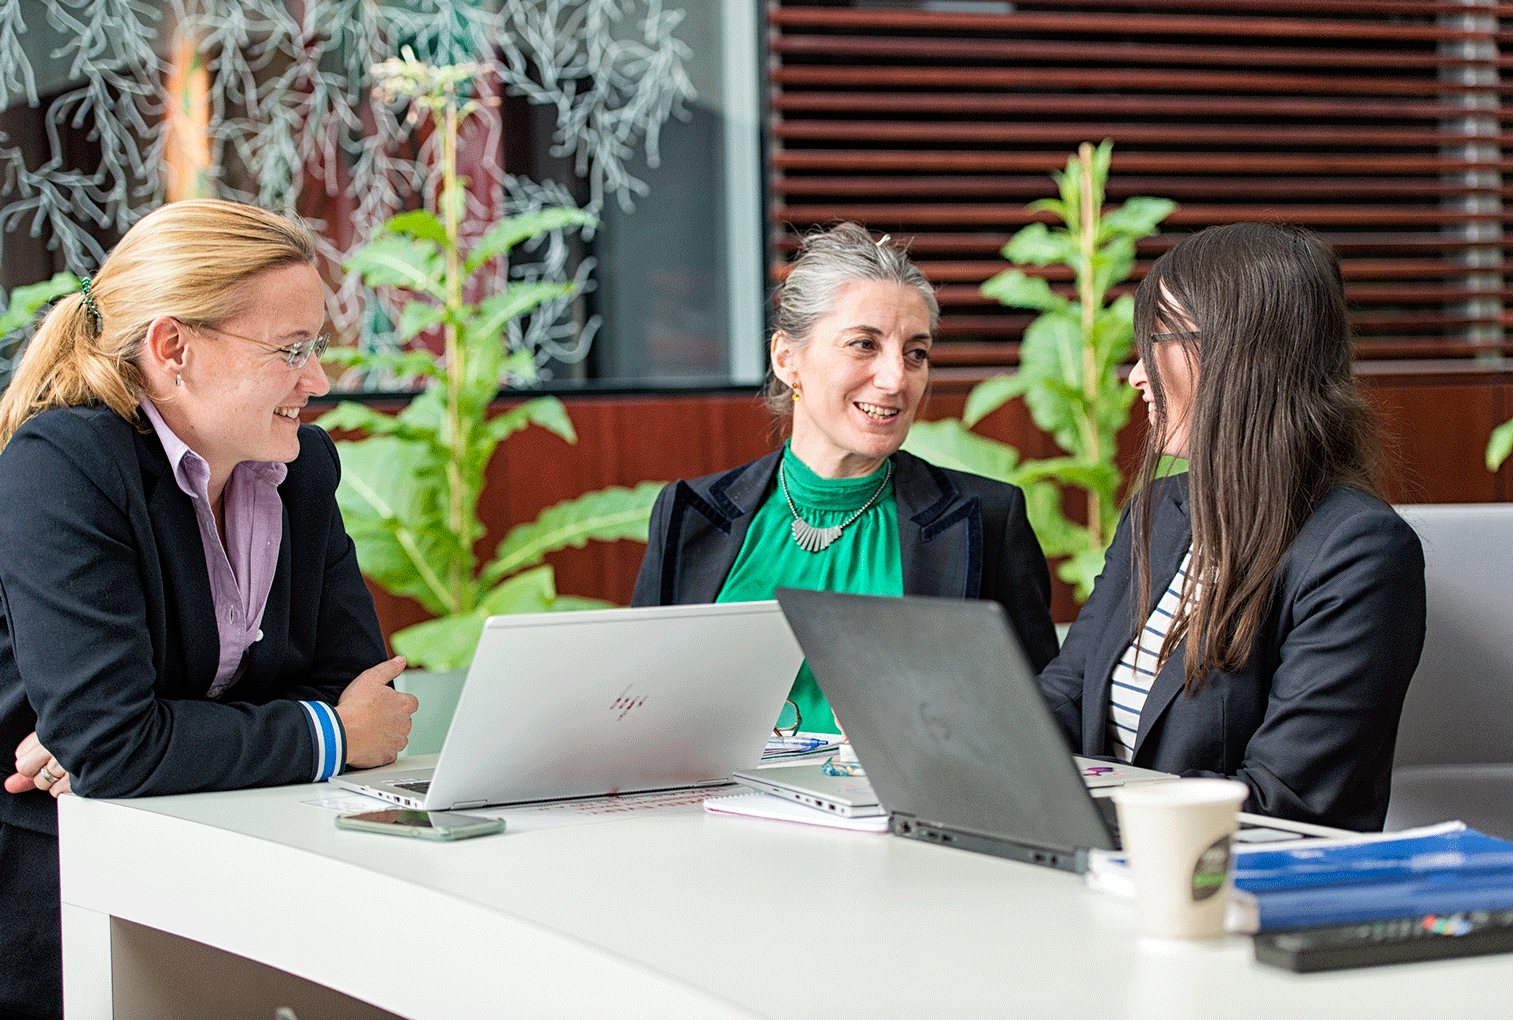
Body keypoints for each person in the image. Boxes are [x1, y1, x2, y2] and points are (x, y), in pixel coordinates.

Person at [0, 199, 418, 1020]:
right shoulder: (65, 463)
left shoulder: (300, 467)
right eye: (291, 351)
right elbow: (122, 745)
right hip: (54, 892)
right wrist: (329, 734)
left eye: (317, 347)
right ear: (172, 348)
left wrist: (142, 733)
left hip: (226, 858)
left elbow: (357, 681)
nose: (319, 381)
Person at [1036, 222, 1425, 832]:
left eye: (1156, 342)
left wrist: (1086, 814)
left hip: (1231, 888)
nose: (1136, 374)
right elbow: (1067, 691)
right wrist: (953, 730)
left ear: (1242, 358)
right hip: (1105, 866)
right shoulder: (1159, 509)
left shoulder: (1359, 552)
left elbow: (1283, 803)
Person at [633, 222, 1059, 734]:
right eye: (863, 344)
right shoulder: (687, 513)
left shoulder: (987, 519)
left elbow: (1040, 724)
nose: (897, 378)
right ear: (788, 359)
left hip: (897, 811)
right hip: (717, 809)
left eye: (916, 353)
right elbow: (640, 706)